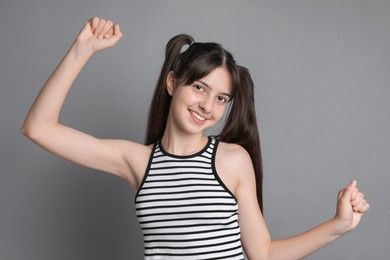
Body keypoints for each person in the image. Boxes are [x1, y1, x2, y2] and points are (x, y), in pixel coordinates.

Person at [22, 17, 370, 260]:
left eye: (221, 98)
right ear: (173, 84)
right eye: (199, 87)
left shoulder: (232, 160)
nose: (207, 106)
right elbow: (38, 127)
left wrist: (338, 226)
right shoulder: (137, 162)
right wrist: (81, 50)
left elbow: (263, 254)